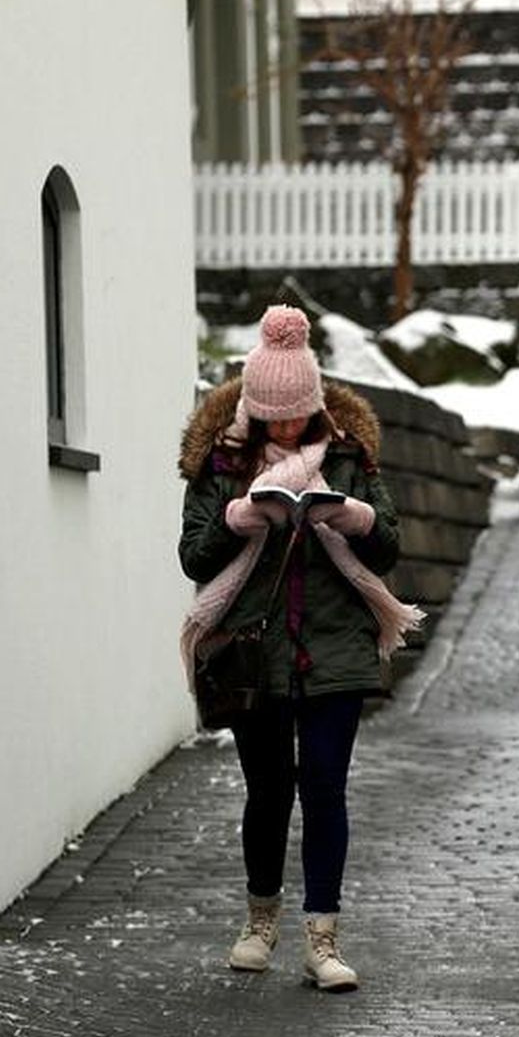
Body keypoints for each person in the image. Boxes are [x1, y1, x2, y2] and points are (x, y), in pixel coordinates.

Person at [177, 305, 423, 992]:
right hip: (253, 651)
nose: (286, 426)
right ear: (252, 409)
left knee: (324, 790)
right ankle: (260, 922)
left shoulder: (349, 452)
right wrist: (240, 517)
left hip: (334, 649)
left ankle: (324, 939)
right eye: (272, 415)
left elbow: (390, 545)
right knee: (267, 794)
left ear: (314, 404)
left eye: (296, 414)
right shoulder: (219, 462)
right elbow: (195, 557)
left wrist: (351, 515)